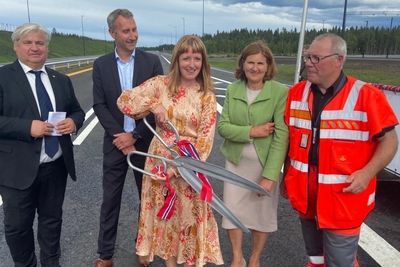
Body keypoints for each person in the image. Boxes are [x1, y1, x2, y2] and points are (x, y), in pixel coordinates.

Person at [283, 33, 399, 267]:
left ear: (339, 60)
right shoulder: (296, 93)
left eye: (316, 57)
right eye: (307, 56)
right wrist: (286, 177)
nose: (308, 63)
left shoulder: (366, 96)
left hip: (342, 200)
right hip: (305, 195)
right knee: (315, 256)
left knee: (340, 261)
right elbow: (288, 140)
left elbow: (390, 142)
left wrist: (367, 173)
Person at [117, 35, 223, 267]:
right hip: (159, 161)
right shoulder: (160, 84)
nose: (191, 64)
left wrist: (180, 167)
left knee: (188, 221)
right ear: (177, 60)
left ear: (203, 62)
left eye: (197, 58)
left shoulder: (206, 95)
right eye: (186, 58)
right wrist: (152, 106)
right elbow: (124, 101)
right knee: (166, 221)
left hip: (189, 166)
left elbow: (205, 140)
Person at [0, 23, 85, 267]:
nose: (35, 48)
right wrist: (27, 127)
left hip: (55, 165)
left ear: (46, 48)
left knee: (51, 220)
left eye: (40, 43)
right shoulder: (3, 77)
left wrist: (73, 121)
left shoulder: (61, 80)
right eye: (28, 43)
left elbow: (78, 111)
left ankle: (51, 262)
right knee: (17, 227)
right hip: (16, 169)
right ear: (16, 46)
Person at [92, 8, 164, 267]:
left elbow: (158, 104)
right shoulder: (101, 65)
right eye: (126, 31)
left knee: (147, 198)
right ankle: (105, 254)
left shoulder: (151, 62)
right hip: (114, 144)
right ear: (113, 33)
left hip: (144, 142)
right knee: (110, 200)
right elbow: (99, 105)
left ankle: (144, 248)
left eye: (134, 29)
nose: (132, 35)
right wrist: (120, 136)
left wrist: (134, 135)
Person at [217, 41, 289, 267]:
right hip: (236, 162)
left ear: (268, 66)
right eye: (251, 62)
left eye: (260, 63)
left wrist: (270, 175)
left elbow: (281, 137)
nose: (255, 68)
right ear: (243, 64)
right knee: (231, 210)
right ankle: (237, 256)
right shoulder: (233, 89)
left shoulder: (280, 92)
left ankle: (255, 258)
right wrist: (252, 131)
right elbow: (223, 127)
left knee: (261, 213)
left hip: (264, 164)